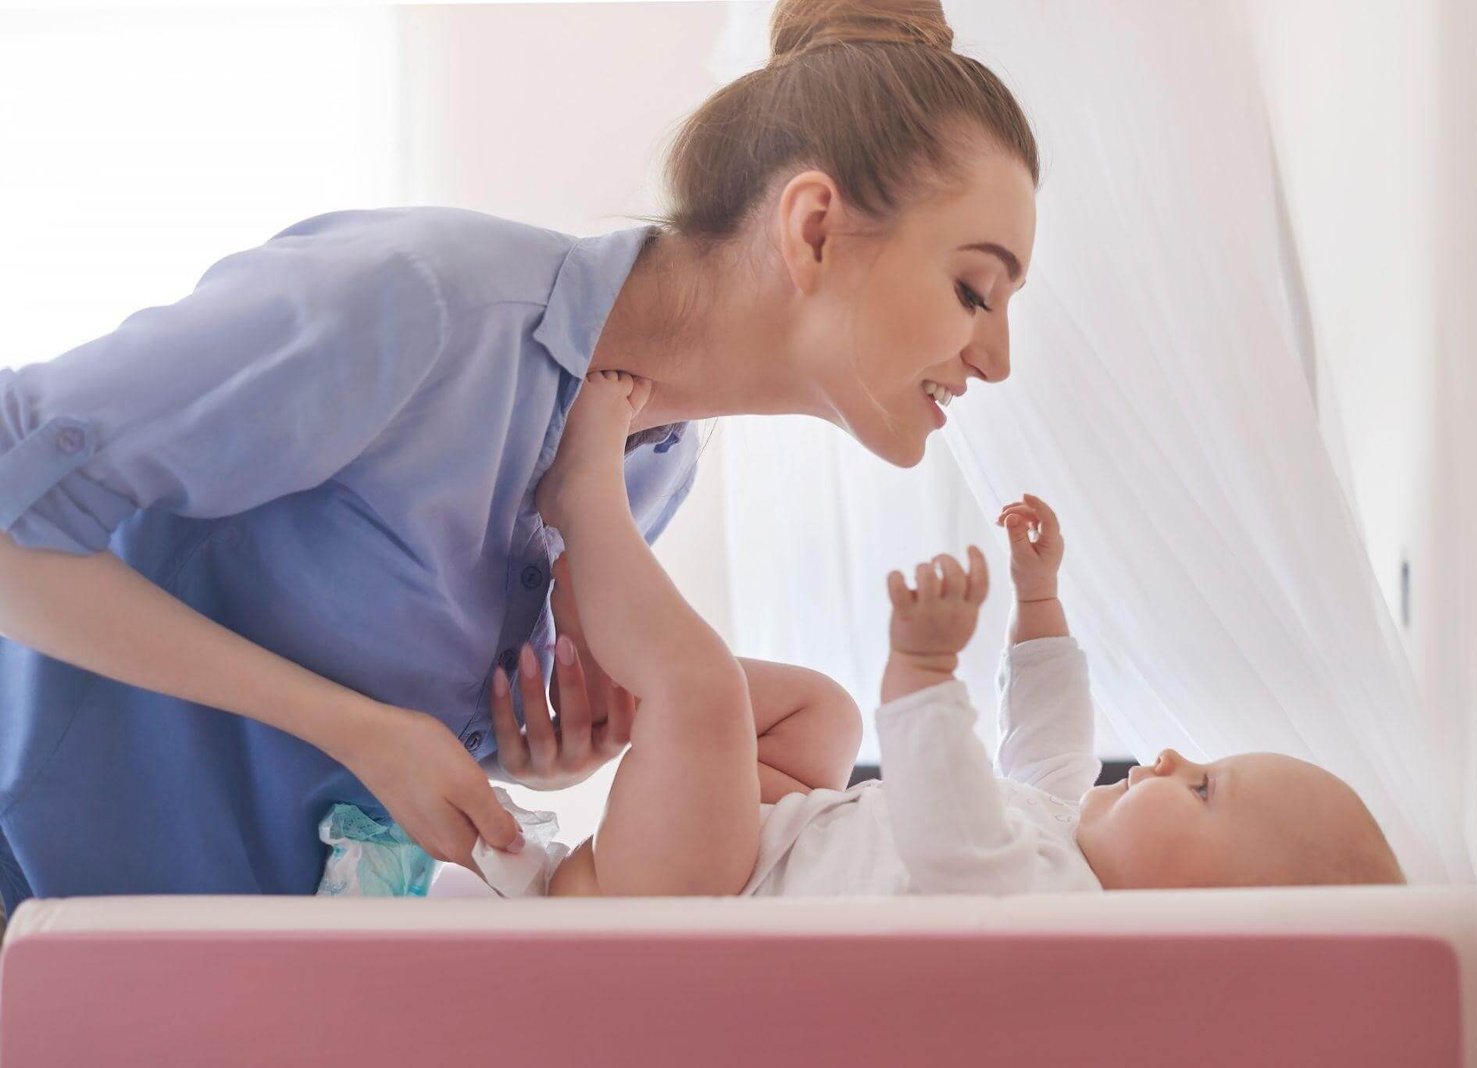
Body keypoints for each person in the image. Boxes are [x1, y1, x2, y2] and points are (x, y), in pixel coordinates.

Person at [0, 0, 1039, 914]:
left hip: (206, 952)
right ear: (812, 228)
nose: (995, 358)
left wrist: (525, 756)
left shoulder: (649, 463)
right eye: (975, 291)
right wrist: (353, 728)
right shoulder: (417, 304)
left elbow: (367, 697)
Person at [516, 371, 1405, 897]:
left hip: (694, 895)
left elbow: (945, 826)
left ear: (1208, 914)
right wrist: (1038, 597)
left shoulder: (1047, 911)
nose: (1172, 757)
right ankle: (612, 671)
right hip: (743, 849)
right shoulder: (1062, 836)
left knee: (705, 691)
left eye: (1205, 790)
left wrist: (924, 670)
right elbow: (1051, 739)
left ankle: (585, 503)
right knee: (822, 715)